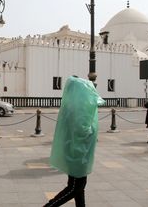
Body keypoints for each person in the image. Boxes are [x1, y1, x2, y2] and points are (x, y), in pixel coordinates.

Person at [43, 76, 104, 207]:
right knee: (75, 187)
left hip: (73, 149)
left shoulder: (70, 105)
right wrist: (92, 128)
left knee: (78, 187)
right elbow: (82, 130)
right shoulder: (77, 109)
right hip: (78, 152)